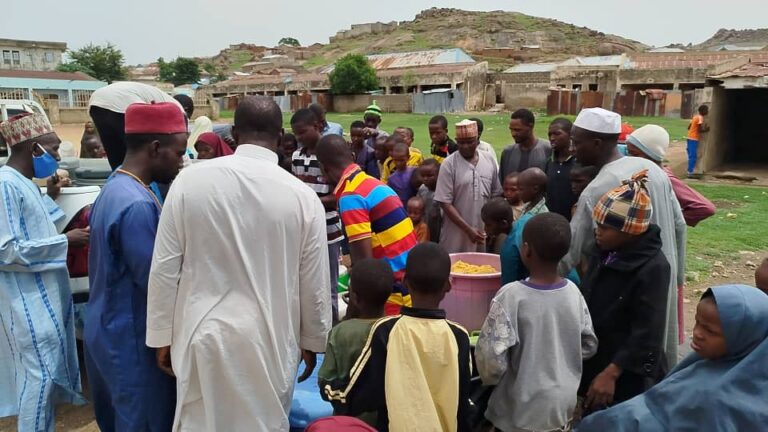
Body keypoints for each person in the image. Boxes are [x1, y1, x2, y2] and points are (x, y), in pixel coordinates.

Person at [146, 96, 331, 431]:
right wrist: (312, 340)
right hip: (271, 339)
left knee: (201, 422)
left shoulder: (188, 182)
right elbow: (314, 283)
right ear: (279, 136)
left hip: (202, 333)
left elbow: (165, 267)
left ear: (233, 133)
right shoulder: (302, 198)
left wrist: (161, 334)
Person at [85, 102, 188, 432]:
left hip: (106, 329)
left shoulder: (116, 187)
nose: (182, 161)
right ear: (156, 148)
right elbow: (155, 282)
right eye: (179, 152)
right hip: (130, 340)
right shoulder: (137, 205)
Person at [561, 107, 686, 369]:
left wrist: (537, 280)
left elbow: (570, 250)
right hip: (663, 274)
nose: (573, 149)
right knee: (655, 350)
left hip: (621, 289)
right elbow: (679, 224)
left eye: (577, 142)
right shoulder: (651, 169)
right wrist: (678, 276)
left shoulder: (598, 187)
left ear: (596, 143)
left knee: (621, 360)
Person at [0, 113, 89, 431]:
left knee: (44, 381)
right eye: (51, 150)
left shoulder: (25, 184)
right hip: (26, 303)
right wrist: (67, 240)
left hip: (43, 301)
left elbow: (35, 225)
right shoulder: (5, 185)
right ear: (33, 149)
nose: (55, 156)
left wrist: (50, 195)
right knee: (38, 382)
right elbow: (6, 249)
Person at [578, 285, 768, 431]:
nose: (697, 333)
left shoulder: (718, 401)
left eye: (710, 331)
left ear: (744, 338)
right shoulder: (714, 361)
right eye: (697, 323)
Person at [326, 243, 472, 432]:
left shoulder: (386, 330)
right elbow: (462, 402)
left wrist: (329, 388)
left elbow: (364, 392)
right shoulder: (459, 336)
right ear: (448, 286)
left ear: (404, 281)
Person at [477, 213, 597, 432]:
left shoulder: (511, 297)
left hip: (518, 410)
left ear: (527, 250)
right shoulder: (573, 293)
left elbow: (491, 361)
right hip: (561, 407)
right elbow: (588, 344)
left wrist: (490, 380)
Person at [579, 170, 671, 414]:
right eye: (597, 224)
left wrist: (612, 372)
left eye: (605, 227)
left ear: (631, 231)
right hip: (597, 356)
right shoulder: (604, 250)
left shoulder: (654, 268)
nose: (597, 231)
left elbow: (648, 332)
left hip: (626, 371)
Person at [317, 134, 418, 316]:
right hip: (409, 283)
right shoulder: (372, 183)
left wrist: (351, 317)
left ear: (324, 168)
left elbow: (365, 266)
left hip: (392, 293)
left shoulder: (351, 197)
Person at [319, 259, 393, 421]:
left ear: (356, 298)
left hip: (349, 421)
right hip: (389, 421)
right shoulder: (396, 329)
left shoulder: (341, 333)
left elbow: (326, 384)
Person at [291, 108, 344, 323]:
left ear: (318, 127)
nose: (299, 138)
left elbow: (340, 195)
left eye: (302, 132)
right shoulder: (296, 157)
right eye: (296, 134)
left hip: (329, 230)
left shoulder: (332, 155)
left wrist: (312, 203)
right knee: (305, 283)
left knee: (329, 285)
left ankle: (329, 330)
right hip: (304, 230)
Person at [626, 124, 716, 227]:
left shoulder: (663, 177)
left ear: (651, 154)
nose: (630, 158)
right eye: (628, 153)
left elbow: (705, 208)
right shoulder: (642, 174)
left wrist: (668, 220)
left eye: (634, 154)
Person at [435, 120, 502, 253]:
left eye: (470, 142)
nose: (465, 146)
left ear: (477, 140)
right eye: (461, 142)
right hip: (455, 233)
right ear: (456, 141)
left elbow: (496, 195)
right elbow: (445, 203)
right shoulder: (449, 164)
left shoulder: (489, 160)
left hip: (483, 231)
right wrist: (467, 229)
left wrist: (492, 228)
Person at [89, 82, 185, 170]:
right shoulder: (179, 111)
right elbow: (175, 147)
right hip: (123, 102)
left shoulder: (165, 100)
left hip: (97, 101)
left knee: (115, 153)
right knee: (139, 151)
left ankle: (120, 181)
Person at [499, 108, 551, 181]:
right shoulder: (508, 152)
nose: (513, 134)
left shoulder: (547, 149)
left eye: (517, 130)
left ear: (530, 127)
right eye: (511, 129)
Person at [546, 118, 579, 220]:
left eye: (557, 134)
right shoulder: (549, 162)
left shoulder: (579, 162)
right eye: (550, 135)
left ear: (570, 135)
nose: (552, 138)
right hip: (551, 219)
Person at [417, 158, 442, 244]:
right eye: (423, 176)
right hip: (426, 227)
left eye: (429, 176)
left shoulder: (443, 191)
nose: (425, 179)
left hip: (440, 229)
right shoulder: (422, 189)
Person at [387, 142, 418, 206]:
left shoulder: (414, 172)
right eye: (395, 160)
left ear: (408, 157)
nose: (398, 163)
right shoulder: (391, 179)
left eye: (401, 160)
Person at [686, 105, 710, 176]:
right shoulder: (700, 118)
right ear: (702, 111)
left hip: (689, 137)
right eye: (706, 110)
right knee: (693, 156)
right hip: (693, 138)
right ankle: (690, 172)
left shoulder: (695, 117)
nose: (708, 111)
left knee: (691, 155)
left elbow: (689, 127)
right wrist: (706, 129)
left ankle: (690, 171)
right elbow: (700, 130)